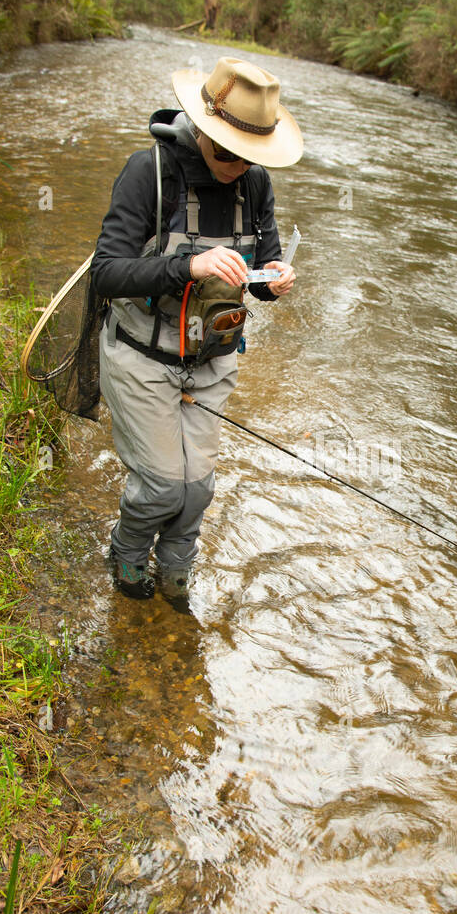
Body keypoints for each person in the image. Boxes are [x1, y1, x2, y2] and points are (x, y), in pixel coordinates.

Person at [90, 56, 303, 606]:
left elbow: (261, 267)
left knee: (198, 488)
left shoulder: (255, 185)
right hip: (140, 353)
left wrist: (272, 281)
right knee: (163, 483)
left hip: (210, 360)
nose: (239, 164)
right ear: (204, 131)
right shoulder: (149, 173)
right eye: (229, 151)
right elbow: (105, 274)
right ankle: (129, 551)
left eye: (251, 155)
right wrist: (190, 265)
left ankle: (176, 569)